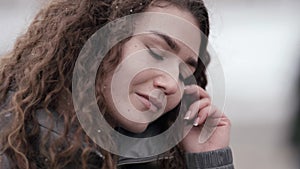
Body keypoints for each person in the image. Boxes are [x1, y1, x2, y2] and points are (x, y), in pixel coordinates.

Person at [0, 0, 234, 169]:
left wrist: (208, 160)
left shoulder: (152, 156)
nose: (173, 84)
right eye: (156, 52)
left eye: (185, 71)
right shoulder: (12, 150)